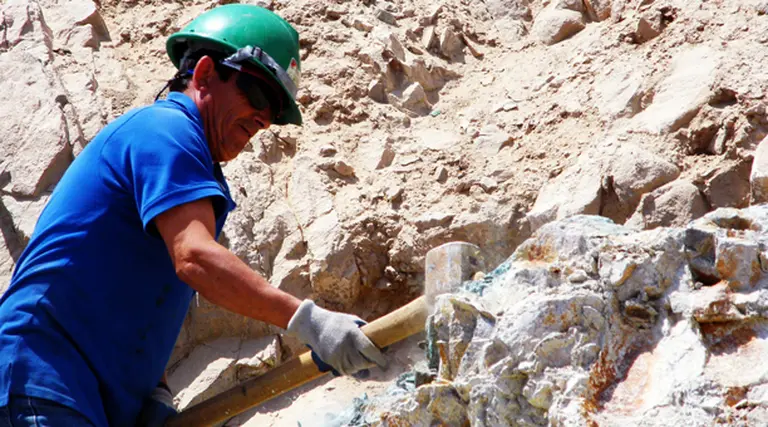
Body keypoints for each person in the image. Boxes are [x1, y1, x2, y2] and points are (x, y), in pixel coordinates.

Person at [0, 4, 386, 427]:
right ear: (204, 74)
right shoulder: (166, 130)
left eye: (275, 111)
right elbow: (195, 258)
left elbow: (138, 291)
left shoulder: (191, 163)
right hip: (41, 378)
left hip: (75, 398)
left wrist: (155, 390)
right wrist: (311, 323)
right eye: (258, 94)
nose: (263, 119)